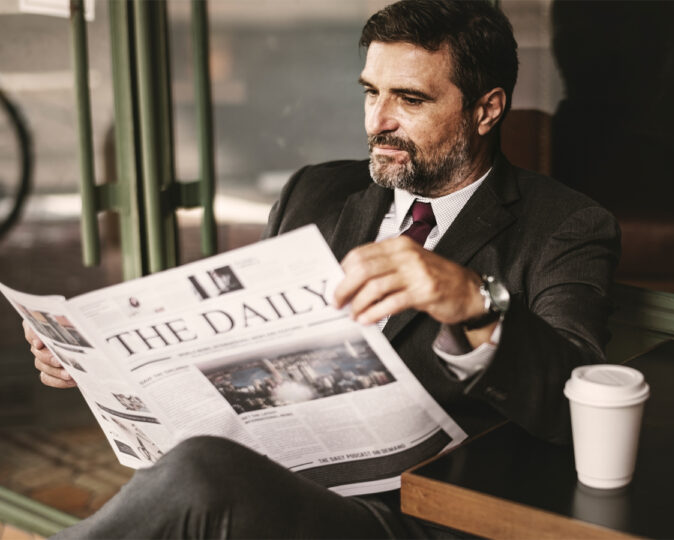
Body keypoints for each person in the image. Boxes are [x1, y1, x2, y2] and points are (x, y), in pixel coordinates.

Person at [24, 0, 620, 537]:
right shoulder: (314, 192)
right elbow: (234, 338)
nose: (376, 122)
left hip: (409, 516)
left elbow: (575, 401)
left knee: (200, 476)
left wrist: (476, 304)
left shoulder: (563, 225)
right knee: (192, 477)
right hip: (280, 480)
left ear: (487, 110)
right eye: (370, 92)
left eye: (409, 99)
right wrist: (104, 361)